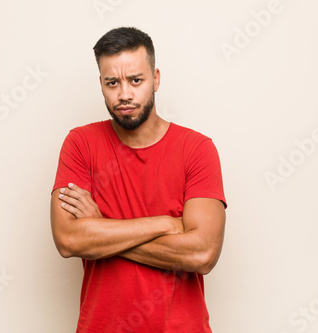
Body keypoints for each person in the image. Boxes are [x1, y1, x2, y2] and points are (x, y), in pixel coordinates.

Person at [50, 27, 227, 333]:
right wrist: (166, 224)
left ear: (155, 79)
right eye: (112, 83)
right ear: (102, 85)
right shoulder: (80, 143)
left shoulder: (197, 149)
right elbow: (68, 240)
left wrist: (100, 226)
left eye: (136, 80)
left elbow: (202, 253)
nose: (124, 95)